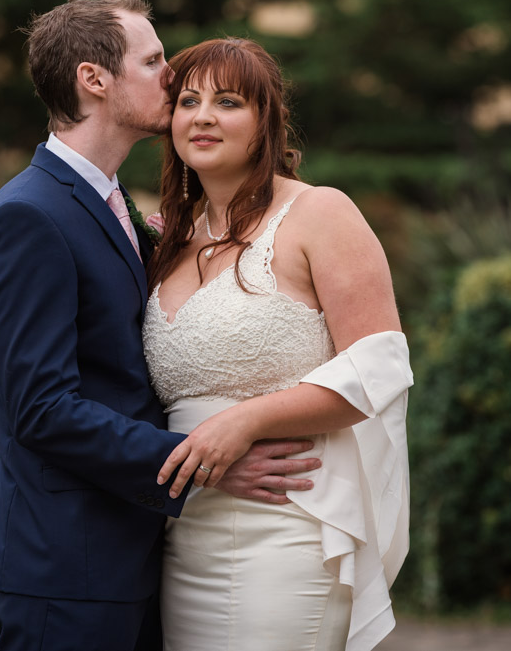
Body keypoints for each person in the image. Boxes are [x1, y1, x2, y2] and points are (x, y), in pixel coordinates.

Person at [0, 0, 321, 651]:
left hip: (128, 553)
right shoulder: (30, 215)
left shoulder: (114, 204)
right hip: (67, 564)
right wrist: (201, 463)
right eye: (154, 60)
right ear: (94, 79)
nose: (173, 76)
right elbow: (41, 408)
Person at [142, 37, 413, 651]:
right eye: (187, 100)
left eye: (228, 101)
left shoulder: (320, 213)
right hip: (183, 533)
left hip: (288, 521)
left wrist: (248, 420)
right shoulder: (169, 236)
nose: (203, 115)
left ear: (266, 121)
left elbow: (380, 364)